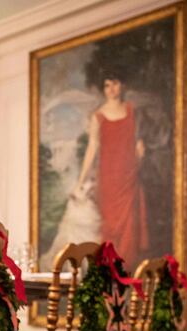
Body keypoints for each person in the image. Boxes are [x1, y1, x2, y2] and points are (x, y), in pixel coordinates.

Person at [73, 72, 148, 264]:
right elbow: (92, 148)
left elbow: (139, 143)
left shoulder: (131, 110)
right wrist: (80, 181)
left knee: (129, 226)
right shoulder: (98, 116)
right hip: (108, 178)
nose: (111, 89)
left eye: (115, 83)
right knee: (109, 226)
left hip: (128, 176)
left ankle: (126, 273)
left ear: (121, 85)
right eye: (107, 85)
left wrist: (139, 153)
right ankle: (109, 275)